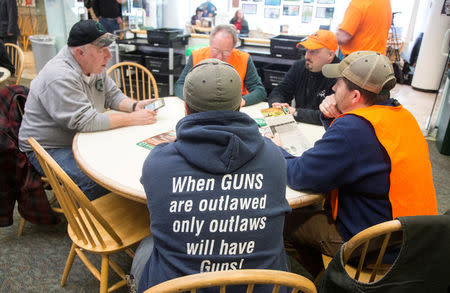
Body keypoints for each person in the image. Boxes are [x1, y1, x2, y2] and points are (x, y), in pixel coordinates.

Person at [272, 51, 438, 278]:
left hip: (377, 248)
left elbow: (301, 175)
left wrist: (275, 149)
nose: (332, 89)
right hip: (413, 240)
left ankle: (331, 282)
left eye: (338, 84)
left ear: (355, 96)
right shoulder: (401, 116)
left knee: (281, 222)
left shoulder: (354, 129)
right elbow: (350, 157)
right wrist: (333, 117)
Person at [133, 59, 291, 292]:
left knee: (147, 244)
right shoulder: (274, 158)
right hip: (258, 287)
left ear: (186, 108)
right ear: (239, 106)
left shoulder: (158, 163)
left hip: (178, 288)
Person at [18, 20, 158, 200]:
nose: (108, 56)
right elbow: (86, 121)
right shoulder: (59, 76)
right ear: (80, 52)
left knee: (120, 161)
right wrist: (134, 118)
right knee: (98, 180)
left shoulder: (93, 65)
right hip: (49, 147)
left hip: (80, 138)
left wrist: (133, 106)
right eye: (101, 50)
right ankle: (100, 222)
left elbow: (113, 95)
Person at [175, 24, 266, 107]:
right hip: (201, 107)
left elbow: (260, 91)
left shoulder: (244, 59)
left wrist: (242, 101)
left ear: (233, 47)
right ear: (210, 43)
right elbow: (180, 85)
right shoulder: (197, 56)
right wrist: (193, 100)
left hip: (233, 109)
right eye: (215, 50)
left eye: (225, 52)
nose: (219, 57)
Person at [268, 30, 339, 125]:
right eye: (306, 50)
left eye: (313, 51)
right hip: (300, 125)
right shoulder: (300, 66)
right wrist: (277, 104)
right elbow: (280, 90)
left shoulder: (341, 76)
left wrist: (296, 112)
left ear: (330, 55)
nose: (306, 56)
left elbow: (331, 115)